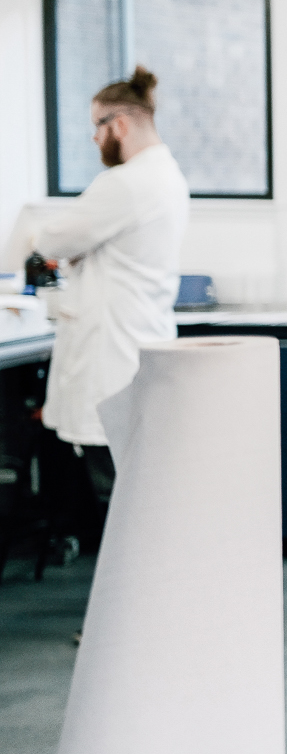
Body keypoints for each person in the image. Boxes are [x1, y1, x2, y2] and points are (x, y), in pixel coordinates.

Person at [24, 67, 189, 555]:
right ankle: (141, 617)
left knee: (121, 497)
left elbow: (52, 239)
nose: (95, 137)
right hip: (138, 346)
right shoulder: (166, 176)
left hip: (112, 359)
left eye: (97, 126)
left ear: (119, 124)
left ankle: (132, 624)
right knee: (137, 495)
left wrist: (52, 245)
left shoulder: (127, 183)